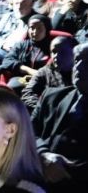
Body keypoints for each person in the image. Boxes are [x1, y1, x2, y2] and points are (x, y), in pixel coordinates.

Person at [31, 43, 88, 192]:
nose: (79, 67)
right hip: (34, 173)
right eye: (77, 60)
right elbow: (27, 130)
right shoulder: (51, 96)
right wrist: (42, 154)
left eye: (87, 62)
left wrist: (63, 170)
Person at [0, 14, 53, 91]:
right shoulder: (21, 45)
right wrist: (27, 70)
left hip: (43, 82)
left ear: (46, 29)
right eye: (32, 28)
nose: (35, 32)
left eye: (39, 28)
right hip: (20, 78)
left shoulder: (52, 47)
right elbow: (7, 60)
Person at [21, 36, 76, 112]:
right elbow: (27, 93)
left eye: (62, 51)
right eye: (53, 52)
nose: (56, 55)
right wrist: (45, 110)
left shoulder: (83, 71)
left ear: (74, 52)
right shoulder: (45, 71)